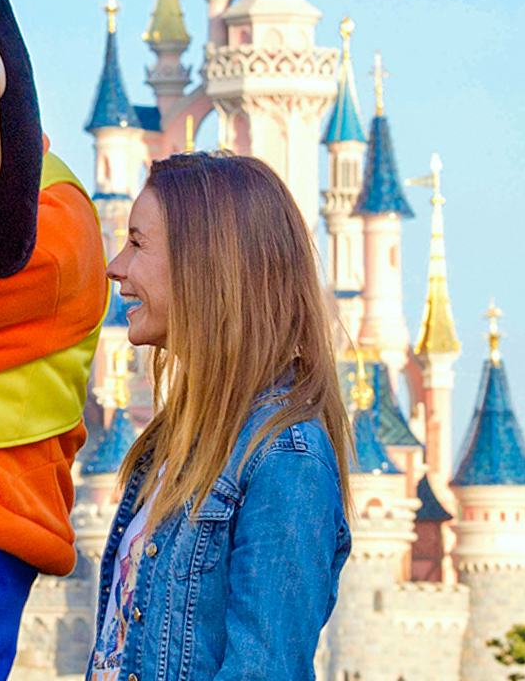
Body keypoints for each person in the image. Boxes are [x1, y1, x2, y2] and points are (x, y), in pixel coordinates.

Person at [88, 152, 353, 681]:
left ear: (205, 265)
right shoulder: (174, 442)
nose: (114, 265)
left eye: (137, 243)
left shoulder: (285, 458)